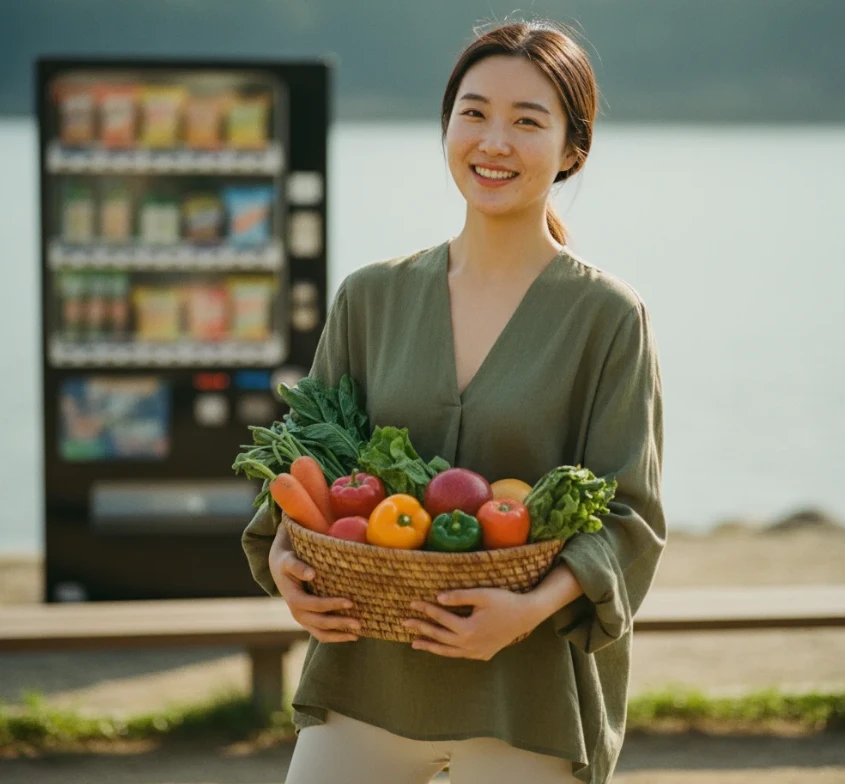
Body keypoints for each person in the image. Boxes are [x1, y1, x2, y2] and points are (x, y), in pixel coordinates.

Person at [242, 19, 665, 784]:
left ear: (573, 149)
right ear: (446, 127)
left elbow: (629, 513)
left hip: (525, 693)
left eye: (526, 121)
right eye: (472, 113)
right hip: (365, 676)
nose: (492, 141)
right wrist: (285, 559)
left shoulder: (606, 315)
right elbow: (304, 462)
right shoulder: (370, 297)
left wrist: (527, 611)